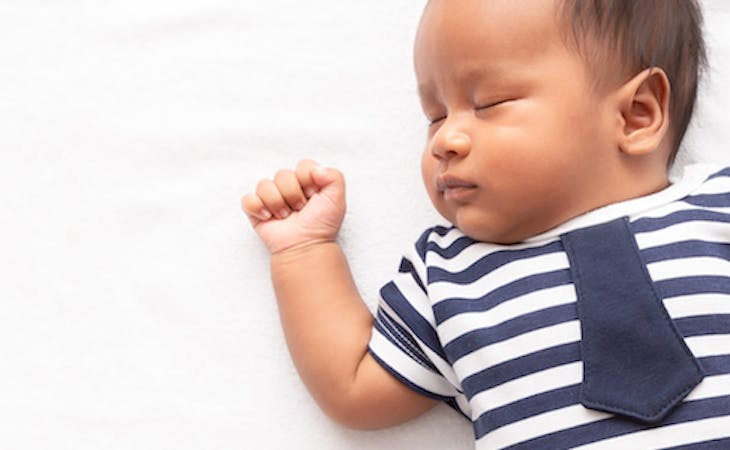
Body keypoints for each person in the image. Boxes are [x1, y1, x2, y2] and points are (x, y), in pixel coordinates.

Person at [242, 0, 730, 448]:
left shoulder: (718, 207)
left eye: (488, 103)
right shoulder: (449, 277)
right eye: (434, 116)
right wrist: (304, 251)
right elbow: (354, 386)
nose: (445, 139)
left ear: (635, 115)